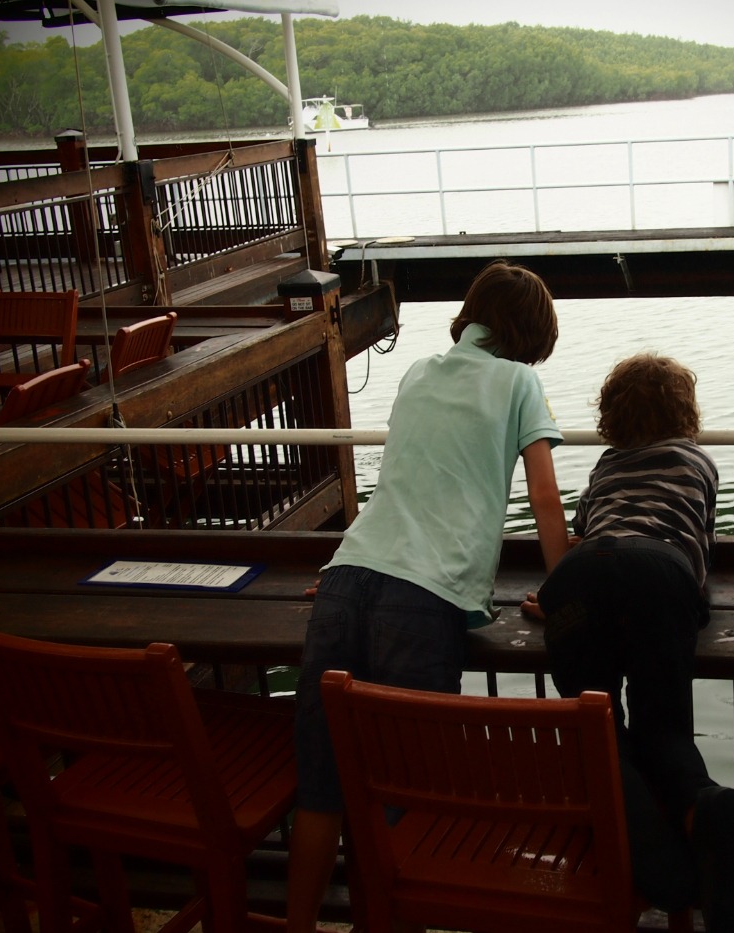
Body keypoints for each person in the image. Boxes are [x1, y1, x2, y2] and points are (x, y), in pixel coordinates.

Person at [286, 259, 570, 932]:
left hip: (347, 576)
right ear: (529, 334)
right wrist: (562, 590)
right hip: (422, 598)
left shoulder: (417, 371)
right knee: (402, 796)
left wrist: (354, 571)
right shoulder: (519, 381)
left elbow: (408, 474)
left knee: (321, 790)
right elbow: (545, 495)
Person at [522, 353, 734, 933]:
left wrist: (558, 599)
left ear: (612, 415)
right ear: (685, 412)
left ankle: (656, 860)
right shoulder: (698, 462)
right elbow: (697, 549)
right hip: (661, 572)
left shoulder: (606, 465)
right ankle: (700, 802)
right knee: (664, 730)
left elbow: (585, 535)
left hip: (579, 575)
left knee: (597, 727)